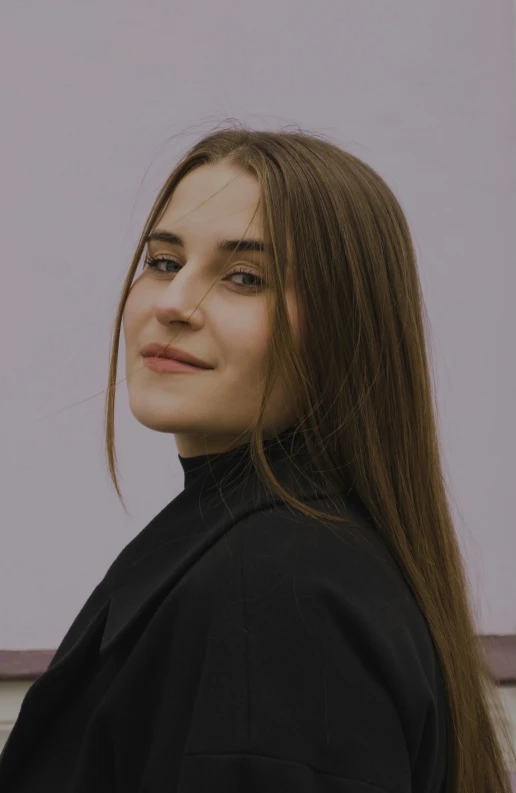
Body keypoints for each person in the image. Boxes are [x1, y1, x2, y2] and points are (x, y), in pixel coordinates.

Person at [0, 123, 514, 792]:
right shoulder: (285, 557)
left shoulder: (277, 595)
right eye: (163, 261)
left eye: (244, 277)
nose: (176, 302)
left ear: (345, 330)